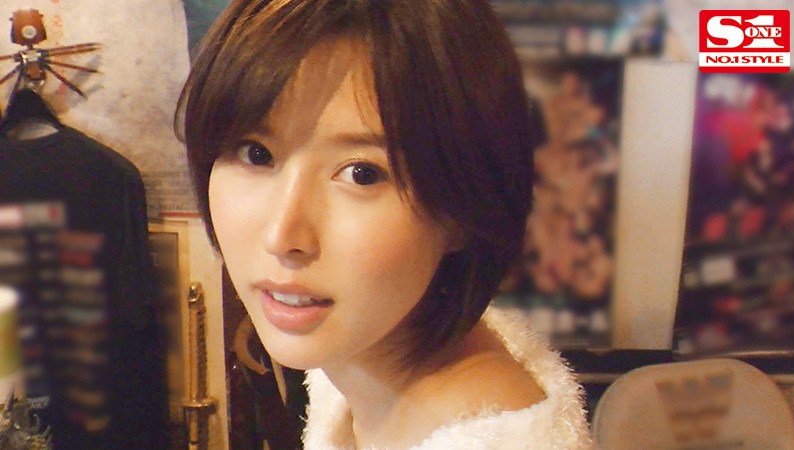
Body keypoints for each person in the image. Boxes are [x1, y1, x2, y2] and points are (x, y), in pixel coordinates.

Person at [177, 0, 592, 448]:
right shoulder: (360, 363)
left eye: (363, 174)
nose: (282, 236)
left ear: (464, 205)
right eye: (256, 154)